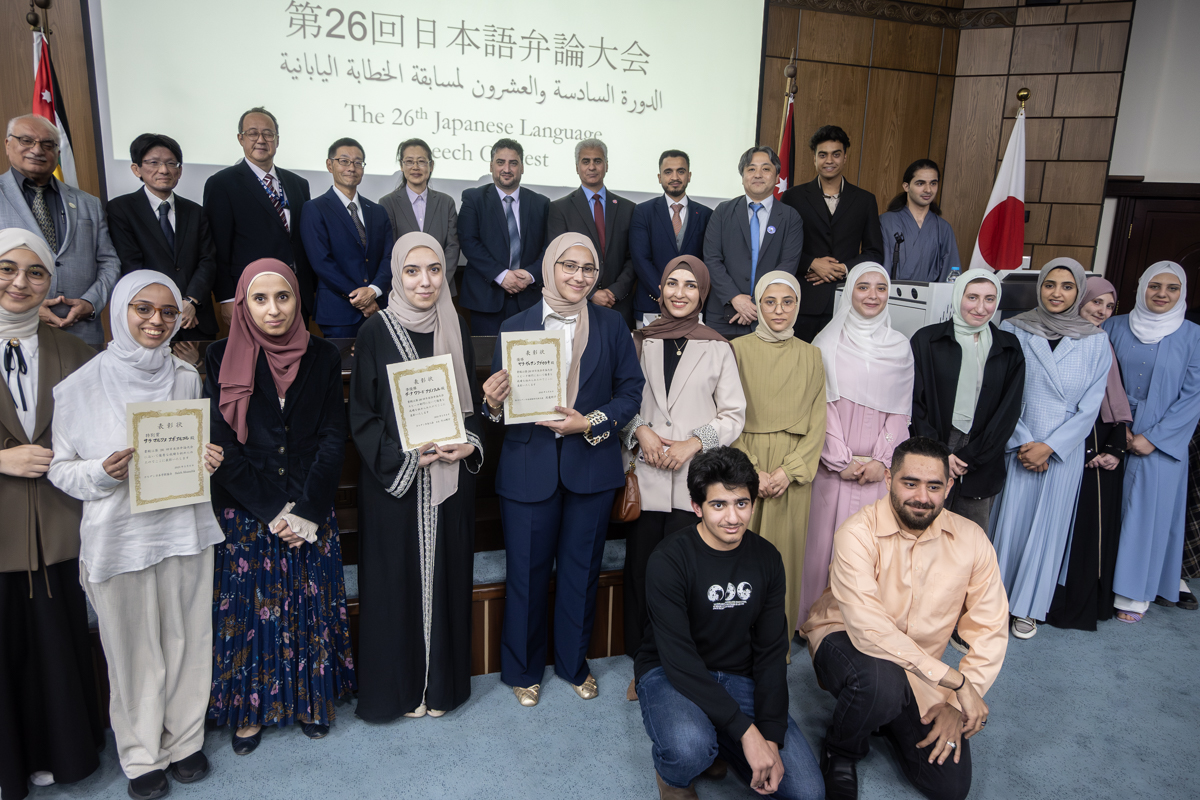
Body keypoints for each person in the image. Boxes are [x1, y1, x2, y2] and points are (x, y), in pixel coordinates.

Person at [48, 271, 224, 799]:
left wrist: (207, 459)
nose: (156, 320)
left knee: (188, 640)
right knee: (131, 652)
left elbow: (191, 447)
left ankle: (185, 740)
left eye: (168, 312)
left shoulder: (186, 377)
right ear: (119, 311)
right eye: (142, 308)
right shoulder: (80, 385)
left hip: (184, 528)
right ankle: (142, 754)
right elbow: (61, 469)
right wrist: (101, 472)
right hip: (118, 538)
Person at [481, 233, 644, 707]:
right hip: (527, 466)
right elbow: (497, 409)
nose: (579, 276)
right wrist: (492, 403)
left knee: (581, 571)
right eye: (569, 266)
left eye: (588, 269)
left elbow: (630, 394)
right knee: (526, 575)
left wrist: (589, 422)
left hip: (590, 466)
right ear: (550, 267)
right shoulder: (515, 325)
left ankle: (574, 663)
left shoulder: (612, 325)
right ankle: (522, 669)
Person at [801, 436, 1009, 800]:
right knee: (880, 683)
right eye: (910, 483)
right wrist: (956, 682)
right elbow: (869, 630)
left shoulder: (973, 540)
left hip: (920, 668)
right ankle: (841, 750)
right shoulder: (856, 533)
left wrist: (955, 704)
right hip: (846, 639)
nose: (922, 497)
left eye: (934, 486)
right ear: (889, 479)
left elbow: (990, 628)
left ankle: (886, 716)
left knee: (949, 787)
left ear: (949, 486)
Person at [204, 260, 356, 752]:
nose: (273, 309)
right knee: (252, 615)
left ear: (297, 300)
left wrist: (305, 510)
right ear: (243, 305)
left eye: (283, 297)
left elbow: (332, 437)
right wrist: (275, 511)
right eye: (260, 299)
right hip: (248, 507)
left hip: (310, 503)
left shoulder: (323, 354)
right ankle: (249, 712)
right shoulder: (218, 355)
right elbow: (222, 447)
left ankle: (311, 700)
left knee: (310, 608)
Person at [635, 446, 823, 800]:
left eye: (741, 503)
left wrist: (769, 737)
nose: (733, 517)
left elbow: (771, 652)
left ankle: (720, 739)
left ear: (753, 503)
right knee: (688, 748)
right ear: (697, 507)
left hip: (738, 674)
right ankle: (673, 779)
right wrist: (745, 732)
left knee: (807, 792)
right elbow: (679, 659)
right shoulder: (668, 559)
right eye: (718, 505)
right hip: (670, 672)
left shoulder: (767, 558)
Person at [350, 233, 484, 721]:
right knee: (395, 588)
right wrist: (404, 459)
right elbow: (363, 416)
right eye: (412, 271)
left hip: (449, 480)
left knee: (448, 581)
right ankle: (402, 690)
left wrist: (469, 444)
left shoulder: (456, 324)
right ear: (396, 275)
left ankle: (441, 688)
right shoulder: (375, 331)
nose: (425, 281)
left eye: (434, 269)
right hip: (395, 485)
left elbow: (470, 408)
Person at [0, 230, 102, 800]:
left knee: (59, 645)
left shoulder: (74, 353)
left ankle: (66, 755)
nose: (20, 282)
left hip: (60, 525)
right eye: (7, 269)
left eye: (35, 272)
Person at [619, 255, 746, 683]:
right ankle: (643, 664)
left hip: (693, 480)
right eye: (672, 283)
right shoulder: (639, 340)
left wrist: (694, 442)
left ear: (702, 293)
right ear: (660, 289)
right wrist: (641, 433)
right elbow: (621, 401)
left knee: (685, 577)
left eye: (690, 285)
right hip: (647, 474)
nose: (680, 292)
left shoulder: (718, 346)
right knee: (641, 572)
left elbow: (734, 414)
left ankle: (677, 662)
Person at [988, 258, 1110, 640]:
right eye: (1050, 284)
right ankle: (992, 604)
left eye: (1067, 286)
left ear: (1078, 292)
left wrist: (1050, 447)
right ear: (1039, 287)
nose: (1057, 293)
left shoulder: (1096, 340)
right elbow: (999, 392)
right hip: (1017, 443)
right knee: (1006, 525)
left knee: (1048, 531)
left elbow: (1090, 407)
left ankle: (1028, 607)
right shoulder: (1014, 328)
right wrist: (1025, 442)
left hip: (1062, 452)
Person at [802, 263, 913, 625]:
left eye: (881, 288)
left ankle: (857, 624)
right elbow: (820, 406)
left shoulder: (900, 347)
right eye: (863, 286)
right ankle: (813, 621)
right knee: (822, 547)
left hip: (876, 473)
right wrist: (840, 459)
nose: (872, 295)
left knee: (869, 549)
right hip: (833, 469)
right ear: (849, 290)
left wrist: (882, 459)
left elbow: (901, 411)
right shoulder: (826, 343)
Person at [731, 271, 827, 639]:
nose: (779, 310)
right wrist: (751, 472)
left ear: (798, 305)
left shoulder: (812, 355)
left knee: (783, 561)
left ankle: (775, 645)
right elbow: (728, 416)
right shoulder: (736, 350)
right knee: (739, 559)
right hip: (746, 465)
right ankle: (735, 644)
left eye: (788, 302)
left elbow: (817, 423)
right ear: (757, 305)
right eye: (769, 302)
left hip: (791, 471)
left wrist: (789, 471)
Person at [1106, 262, 1200, 621]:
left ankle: (1133, 594)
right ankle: (1097, 583)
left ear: (1182, 293)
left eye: (1172, 288)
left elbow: (1193, 397)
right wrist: (1118, 429)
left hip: (1161, 440)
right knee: (1104, 507)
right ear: (1141, 287)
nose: (1162, 294)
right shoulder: (1113, 325)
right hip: (1111, 428)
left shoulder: (1193, 336)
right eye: (1154, 285)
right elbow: (1100, 378)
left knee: (1147, 516)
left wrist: (1154, 438)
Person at [909, 269, 1024, 533]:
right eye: (972, 297)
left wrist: (971, 456)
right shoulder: (927, 340)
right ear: (958, 296)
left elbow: (1009, 410)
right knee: (921, 532)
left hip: (983, 454)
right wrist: (941, 453)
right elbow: (915, 403)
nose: (981, 308)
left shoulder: (1009, 347)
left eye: (989, 299)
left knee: (968, 540)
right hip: (932, 446)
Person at [1046, 277, 1132, 630]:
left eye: (1110, 306)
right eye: (1097, 302)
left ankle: (1078, 606)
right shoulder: (1055, 338)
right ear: (1080, 300)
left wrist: (1114, 448)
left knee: (1087, 535)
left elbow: (1115, 401)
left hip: (1100, 450)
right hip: (1069, 446)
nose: (1102, 311)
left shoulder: (1102, 342)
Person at [0, 114, 120, 349]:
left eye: (48, 144)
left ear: (57, 151)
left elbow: (109, 261)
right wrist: (29, 305)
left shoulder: (88, 203)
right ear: (7, 144)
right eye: (26, 140)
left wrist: (90, 302)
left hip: (81, 334)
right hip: (12, 332)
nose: (37, 150)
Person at [203, 107, 312, 325]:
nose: (261, 140)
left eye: (268, 134)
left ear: (277, 140)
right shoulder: (221, 184)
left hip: (296, 292)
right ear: (241, 139)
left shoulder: (298, 184)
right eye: (252, 133)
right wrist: (227, 297)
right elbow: (218, 247)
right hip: (252, 295)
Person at [106, 133, 218, 340]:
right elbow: (131, 264)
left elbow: (207, 260)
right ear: (136, 169)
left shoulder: (196, 211)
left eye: (171, 163)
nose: (164, 170)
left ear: (180, 170)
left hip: (195, 319)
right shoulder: (120, 209)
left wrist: (190, 301)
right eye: (154, 163)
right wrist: (170, 308)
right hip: (150, 320)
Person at [780, 125, 884, 342]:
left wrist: (843, 268)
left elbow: (874, 253)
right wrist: (811, 263)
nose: (829, 160)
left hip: (847, 300)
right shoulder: (793, 197)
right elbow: (781, 248)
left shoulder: (865, 200)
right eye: (823, 155)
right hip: (803, 301)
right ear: (814, 158)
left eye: (836, 154)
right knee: (800, 360)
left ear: (845, 157)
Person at [703, 146, 804, 340]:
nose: (758, 174)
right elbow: (712, 259)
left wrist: (757, 303)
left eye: (766, 169)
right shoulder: (722, 212)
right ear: (742, 177)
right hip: (723, 315)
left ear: (777, 177)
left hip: (769, 316)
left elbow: (788, 264)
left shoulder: (791, 217)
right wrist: (735, 298)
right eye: (751, 169)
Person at [299, 137, 394, 338]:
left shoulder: (377, 211)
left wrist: (374, 291)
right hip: (338, 312)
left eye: (358, 162)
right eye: (344, 161)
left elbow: (389, 257)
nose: (351, 167)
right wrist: (361, 298)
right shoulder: (315, 209)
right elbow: (321, 262)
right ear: (330, 165)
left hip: (379, 308)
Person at [459, 138, 550, 335]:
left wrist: (530, 275)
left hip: (530, 298)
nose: (506, 169)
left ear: (522, 167)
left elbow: (548, 247)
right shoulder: (473, 199)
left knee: (529, 354)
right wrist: (501, 275)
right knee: (489, 355)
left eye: (513, 163)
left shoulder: (541, 204)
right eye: (500, 162)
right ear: (491, 166)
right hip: (486, 299)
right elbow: (468, 242)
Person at [548, 138, 637, 328]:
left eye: (597, 161)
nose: (592, 167)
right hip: (576, 306)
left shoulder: (628, 208)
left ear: (606, 165)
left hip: (619, 306)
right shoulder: (560, 209)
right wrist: (591, 293)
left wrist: (614, 292)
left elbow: (633, 258)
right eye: (585, 161)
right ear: (577, 167)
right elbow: (557, 260)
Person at [629, 150, 713, 327]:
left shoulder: (706, 215)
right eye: (668, 172)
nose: (675, 177)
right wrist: (665, 294)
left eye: (681, 171)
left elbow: (708, 261)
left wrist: (686, 295)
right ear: (659, 177)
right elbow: (641, 259)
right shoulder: (642, 212)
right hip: (651, 305)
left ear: (689, 176)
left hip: (692, 306)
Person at [378, 138, 460, 296]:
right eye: (409, 161)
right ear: (401, 165)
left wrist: (437, 281)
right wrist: (410, 283)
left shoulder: (446, 202)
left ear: (431, 165)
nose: (415, 167)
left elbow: (452, 247)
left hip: (441, 289)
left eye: (421, 161)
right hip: (405, 290)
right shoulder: (387, 203)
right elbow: (390, 250)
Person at [879, 159, 960, 282]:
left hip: (931, 294)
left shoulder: (943, 228)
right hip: (891, 292)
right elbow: (877, 268)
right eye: (920, 183)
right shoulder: (886, 222)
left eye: (933, 183)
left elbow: (951, 274)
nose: (928, 190)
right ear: (906, 186)